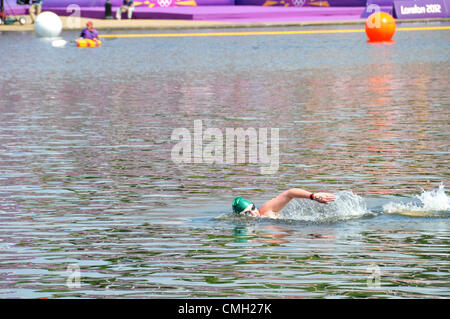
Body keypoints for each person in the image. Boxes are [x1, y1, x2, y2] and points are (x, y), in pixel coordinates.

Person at [232, 188, 336, 219]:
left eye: (253, 208)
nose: (254, 213)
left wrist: (313, 196)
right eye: (247, 213)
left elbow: (289, 193)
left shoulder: (266, 210)